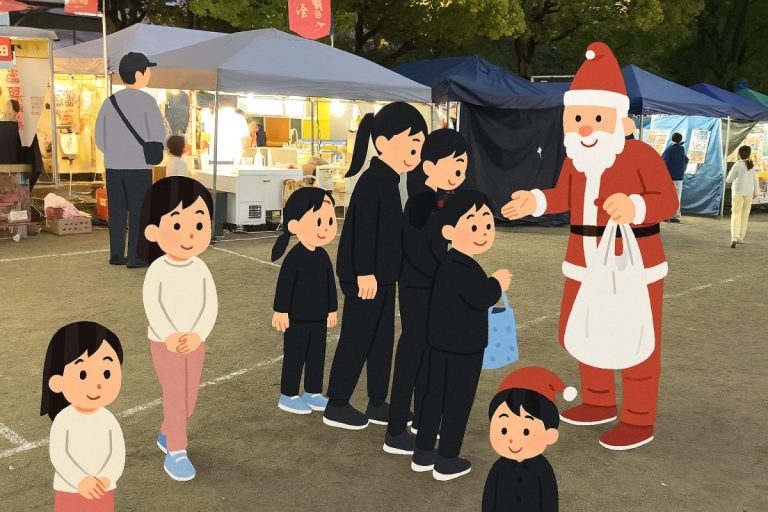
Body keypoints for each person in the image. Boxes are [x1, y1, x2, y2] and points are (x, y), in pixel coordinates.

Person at [501, 42, 678, 451]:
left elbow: (667, 200)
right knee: (582, 329)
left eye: (596, 118)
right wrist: (536, 201)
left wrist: (635, 206)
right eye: (577, 117)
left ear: (619, 120)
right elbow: (562, 195)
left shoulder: (639, 155)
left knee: (636, 338)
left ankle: (638, 418)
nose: (585, 128)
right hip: (582, 263)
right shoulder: (576, 160)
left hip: (634, 265)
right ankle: (599, 400)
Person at [323, 102, 428, 430]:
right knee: (358, 338)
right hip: (366, 278)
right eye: (412, 144)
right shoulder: (374, 181)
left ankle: (377, 401)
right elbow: (364, 231)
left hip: (383, 277)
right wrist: (364, 272)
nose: (416, 152)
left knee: (382, 340)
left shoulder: (391, 180)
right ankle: (337, 403)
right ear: (383, 143)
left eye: (420, 146)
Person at [411, 190, 511, 481]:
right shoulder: (464, 268)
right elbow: (480, 297)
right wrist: (497, 283)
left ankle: (423, 452)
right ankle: (447, 460)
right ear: (449, 231)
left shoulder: (448, 264)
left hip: (439, 345)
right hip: (463, 350)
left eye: (487, 224)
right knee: (457, 402)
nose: (484, 232)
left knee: (434, 397)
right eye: (474, 225)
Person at [384, 129, 468, 455]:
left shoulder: (440, 201)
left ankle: (421, 419)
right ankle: (395, 431)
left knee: (427, 354)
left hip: (431, 289)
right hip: (419, 289)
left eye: (462, 166)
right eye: (453, 165)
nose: (459, 173)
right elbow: (419, 253)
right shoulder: (421, 203)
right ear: (430, 167)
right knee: (412, 355)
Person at [139, 177, 218, 481]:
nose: (190, 234)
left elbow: (209, 305)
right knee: (175, 394)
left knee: (189, 399)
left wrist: (197, 334)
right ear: (153, 231)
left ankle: (167, 432)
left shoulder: (201, 268)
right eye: (177, 225)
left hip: (195, 342)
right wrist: (169, 335)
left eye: (199, 224)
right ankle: (176, 450)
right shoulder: (158, 269)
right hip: (165, 344)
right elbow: (153, 305)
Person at [41, 321, 126, 512]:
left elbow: (117, 453)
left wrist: (107, 478)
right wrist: (80, 480)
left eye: (106, 373)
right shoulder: (63, 420)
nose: (97, 384)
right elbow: (60, 455)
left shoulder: (109, 420)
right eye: (83, 374)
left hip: (103, 490)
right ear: (57, 382)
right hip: (69, 491)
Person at [271, 188, 338, 415]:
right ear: (294, 225)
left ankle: (313, 392)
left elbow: (330, 285)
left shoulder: (323, 256)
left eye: (329, 221)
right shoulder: (294, 257)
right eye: (319, 221)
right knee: (295, 355)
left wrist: (332, 310)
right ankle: (288, 394)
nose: (325, 228)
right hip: (297, 319)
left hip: (318, 318)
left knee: (316, 355)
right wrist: (281, 311)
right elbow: (285, 286)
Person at [95, 52, 164, 268]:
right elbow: (157, 135)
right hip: (139, 166)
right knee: (139, 212)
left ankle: (116, 255)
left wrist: (113, 152)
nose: (150, 74)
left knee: (116, 211)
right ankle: (136, 257)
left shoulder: (109, 102)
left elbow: (99, 138)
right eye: (147, 70)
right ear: (138, 74)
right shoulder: (147, 101)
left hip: (113, 166)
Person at [483, 367, 574, 512]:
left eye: (526, 431)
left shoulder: (543, 469)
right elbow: (489, 499)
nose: (512, 440)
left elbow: (549, 501)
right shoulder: (498, 468)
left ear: (550, 435)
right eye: (504, 430)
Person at [726, 145, 759, 248]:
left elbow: (728, 180)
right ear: (749, 155)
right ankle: (741, 237)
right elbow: (755, 181)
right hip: (749, 193)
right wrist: (756, 193)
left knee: (736, 214)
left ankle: (734, 237)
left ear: (739, 154)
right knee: (745, 216)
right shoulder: (752, 166)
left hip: (737, 193)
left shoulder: (737, 165)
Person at [661, 132, 688, 222]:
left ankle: (667, 215)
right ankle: (675, 216)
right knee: (677, 197)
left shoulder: (669, 149)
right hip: (679, 178)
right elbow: (686, 160)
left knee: (668, 197)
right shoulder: (681, 149)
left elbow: (663, 161)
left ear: (672, 139)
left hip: (670, 177)